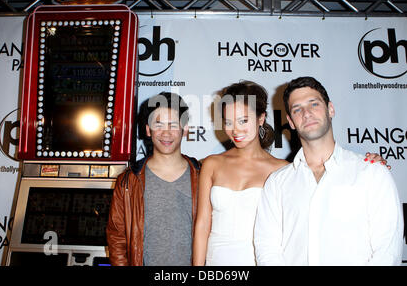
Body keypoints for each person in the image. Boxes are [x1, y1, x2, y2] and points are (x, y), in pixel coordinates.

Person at [254, 76, 404, 266]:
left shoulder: (371, 173)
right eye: (297, 109)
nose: (306, 113)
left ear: (330, 109)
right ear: (291, 122)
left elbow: (388, 249)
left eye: (314, 104)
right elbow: (267, 249)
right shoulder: (277, 184)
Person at [193, 80, 288, 266]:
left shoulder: (282, 169)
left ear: (261, 118)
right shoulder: (212, 164)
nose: (235, 130)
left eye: (243, 120)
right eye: (228, 122)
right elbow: (202, 225)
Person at [106, 92, 200, 266]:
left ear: (185, 128)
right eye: (159, 124)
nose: (166, 133)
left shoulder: (202, 176)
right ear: (148, 130)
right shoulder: (128, 181)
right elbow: (117, 238)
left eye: (173, 124)